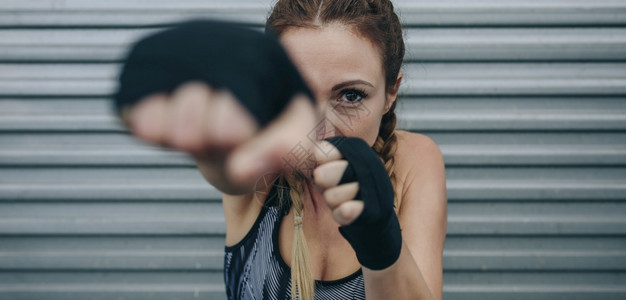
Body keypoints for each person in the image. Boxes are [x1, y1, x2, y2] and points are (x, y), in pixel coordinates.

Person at [115, 0, 447, 299]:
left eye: (351, 96)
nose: (320, 131)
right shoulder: (262, 152)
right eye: (297, 93)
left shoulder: (413, 162)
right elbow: (227, 164)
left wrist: (381, 241)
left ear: (391, 93)